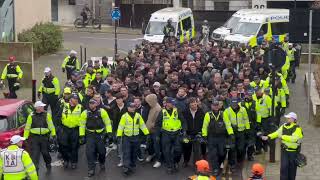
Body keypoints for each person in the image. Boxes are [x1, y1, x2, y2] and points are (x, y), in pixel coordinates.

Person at [261, 112, 303, 180]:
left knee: (292, 170)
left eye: (288, 118)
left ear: (293, 119)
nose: (287, 119)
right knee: (283, 168)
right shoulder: (284, 126)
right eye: (287, 118)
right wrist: (268, 137)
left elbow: (294, 139)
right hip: (284, 151)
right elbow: (277, 133)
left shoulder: (297, 128)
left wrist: (282, 136)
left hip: (293, 152)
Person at [80, 99, 112, 177]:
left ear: (96, 104)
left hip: (100, 134)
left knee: (102, 152)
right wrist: (81, 136)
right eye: (90, 103)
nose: (91, 105)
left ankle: (102, 162)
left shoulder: (102, 111)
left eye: (93, 103)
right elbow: (82, 125)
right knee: (89, 152)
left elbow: (107, 123)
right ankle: (91, 169)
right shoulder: (85, 113)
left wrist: (109, 132)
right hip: (90, 134)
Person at [117, 102, 150, 175]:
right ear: (128, 108)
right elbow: (121, 126)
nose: (132, 108)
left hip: (136, 137)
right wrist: (119, 135)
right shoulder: (124, 116)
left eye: (134, 107)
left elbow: (142, 125)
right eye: (131, 107)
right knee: (127, 152)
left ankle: (132, 164)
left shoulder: (138, 116)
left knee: (134, 152)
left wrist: (146, 133)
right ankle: (126, 167)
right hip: (127, 137)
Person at [155, 97, 186, 174]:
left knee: (178, 150)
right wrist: (158, 135)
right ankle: (169, 166)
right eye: (172, 103)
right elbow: (158, 124)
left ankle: (175, 162)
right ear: (168, 103)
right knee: (166, 151)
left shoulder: (177, 110)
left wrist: (184, 130)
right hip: (166, 133)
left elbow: (183, 121)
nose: (173, 104)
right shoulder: (162, 112)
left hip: (177, 133)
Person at [202, 100, 234, 176]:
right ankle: (215, 168)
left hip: (221, 138)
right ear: (211, 106)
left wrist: (231, 133)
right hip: (211, 137)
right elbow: (204, 126)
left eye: (217, 105)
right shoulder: (208, 115)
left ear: (219, 106)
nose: (215, 107)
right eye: (214, 105)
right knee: (213, 154)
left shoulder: (223, 114)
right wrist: (204, 136)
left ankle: (220, 164)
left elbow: (228, 124)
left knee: (221, 153)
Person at [23, 101, 56, 172]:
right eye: (41, 106)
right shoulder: (31, 116)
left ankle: (48, 163)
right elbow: (27, 128)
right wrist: (25, 137)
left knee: (45, 152)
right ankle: (35, 169)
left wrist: (53, 134)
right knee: (35, 154)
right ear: (37, 108)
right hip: (34, 138)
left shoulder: (47, 115)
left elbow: (51, 125)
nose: (43, 107)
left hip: (44, 137)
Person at [223, 98, 250, 172]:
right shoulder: (227, 111)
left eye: (235, 104)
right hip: (232, 132)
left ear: (238, 103)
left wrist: (247, 129)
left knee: (241, 148)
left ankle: (239, 160)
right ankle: (232, 164)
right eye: (233, 104)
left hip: (241, 132)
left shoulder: (243, 109)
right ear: (230, 104)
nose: (234, 105)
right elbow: (227, 123)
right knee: (232, 149)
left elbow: (246, 119)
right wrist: (231, 133)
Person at [60, 94, 83, 169]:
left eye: (77, 99)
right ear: (70, 100)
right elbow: (57, 117)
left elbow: (83, 119)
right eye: (74, 99)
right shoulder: (64, 106)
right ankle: (66, 160)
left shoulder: (81, 107)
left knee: (74, 147)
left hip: (75, 129)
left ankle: (74, 162)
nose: (76, 100)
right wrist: (59, 128)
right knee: (63, 145)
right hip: (65, 129)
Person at [182, 97, 205, 167]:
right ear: (189, 105)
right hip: (188, 133)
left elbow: (203, 123)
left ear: (197, 103)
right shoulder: (185, 112)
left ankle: (196, 164)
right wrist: (184, 131)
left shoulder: (201, 112)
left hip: (197, 133)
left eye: (195, 104)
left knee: (197, 150)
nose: (194, 106)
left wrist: (201, 132)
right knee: (186, 148)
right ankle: (186, 161)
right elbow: (183, 122)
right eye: (192, 105)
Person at [144, 94, 162, 168]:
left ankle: (158, 160)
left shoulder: (158, 109)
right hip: (149, 130)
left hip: (155, 131)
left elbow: (156, 122)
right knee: (149, 144)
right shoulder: (152, 107)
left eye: (148, 101)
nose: (147, 103)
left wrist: (149, 127)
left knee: (156, 145)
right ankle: (151, 154)